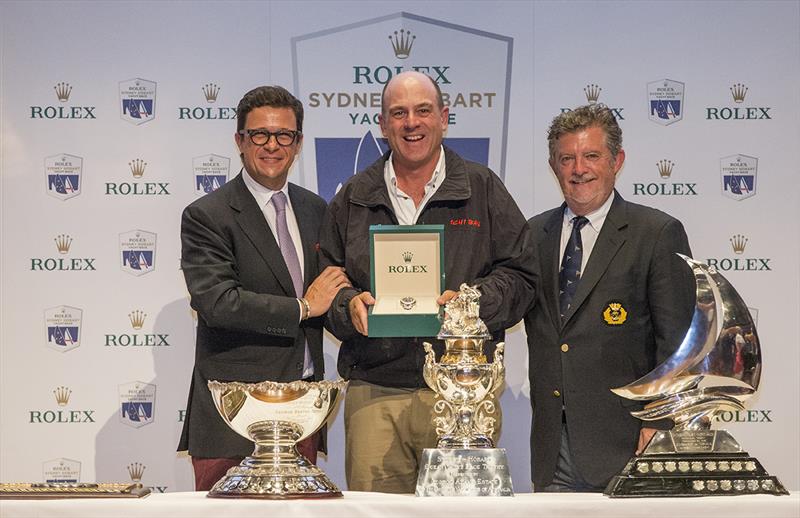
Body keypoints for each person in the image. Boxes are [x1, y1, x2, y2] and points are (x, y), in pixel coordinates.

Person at [319, 71, 535, 493]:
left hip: (463, 393)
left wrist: (471, 303)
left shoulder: (483, 188)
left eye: (423, 111)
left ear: (444, 118)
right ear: (382, 124)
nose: (411, 123)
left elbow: (522, 275)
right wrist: (348, 305)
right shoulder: (352, 196)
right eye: (398, 113)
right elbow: (327, 281)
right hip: (375, 393)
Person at [178, 86, 350, 491]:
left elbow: (333, 290)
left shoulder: (316, 210)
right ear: (240, 141)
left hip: (301, 419)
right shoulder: (207, 215)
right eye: (259, 134)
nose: (272, 145)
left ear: (298, 143)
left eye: (284, 135)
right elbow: (217, 302)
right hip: (233, 421)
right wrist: (302, 308)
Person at [524, 104, 695, 492]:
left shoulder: (657, 233)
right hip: (553, 453)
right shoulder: (533, 235)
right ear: (554, 167)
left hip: (631, 446)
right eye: (566, 158)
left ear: (617, 161)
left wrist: (660, 424)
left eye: (591, 156)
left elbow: (679, 344)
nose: (578, 169)